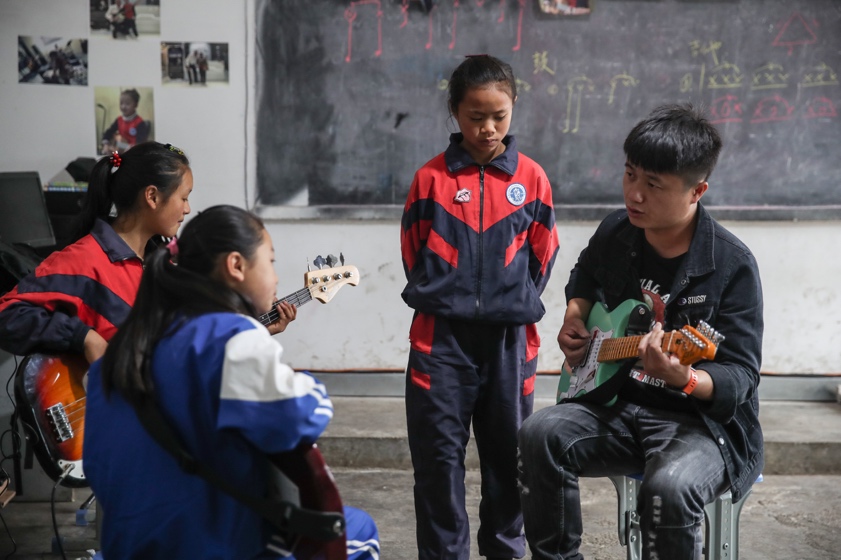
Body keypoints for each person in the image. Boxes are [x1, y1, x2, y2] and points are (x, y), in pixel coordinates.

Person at [517, 104, 764, 559]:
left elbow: (741, 376)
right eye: (630, 175)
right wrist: (576, 314)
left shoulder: (731, 265)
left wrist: (685, 378)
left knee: (668, 487)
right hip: (617, 404)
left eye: (653, 185)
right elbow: (585, 275)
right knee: (538, 433)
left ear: (697, 191)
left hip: (701, 426)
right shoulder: (618, 231)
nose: (635, 194)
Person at [83, 205, 380, 559]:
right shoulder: (229, 336)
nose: (275, 278)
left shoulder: (121, 350)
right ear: (236, 266)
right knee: (359, 530)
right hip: (207, 547)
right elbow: (299, 418)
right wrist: (307, 383)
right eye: (270, 262)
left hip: (127, 548)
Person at [400, 54, 559, 559]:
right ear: (454, 112)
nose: (488, 129)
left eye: (499, 116)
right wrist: (453, 298)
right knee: (438, 467)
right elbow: (413, 252)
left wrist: (505, 303)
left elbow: (543, 257)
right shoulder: (430, 180)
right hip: (439, 344)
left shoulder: (532, 180)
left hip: (511, 344)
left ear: (513, 109)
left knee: (508, 466)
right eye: (475, 117)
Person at [0, 142, 202, 364]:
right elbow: (7, 315)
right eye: (184, 198)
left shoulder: (159, 261)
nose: (187, 209)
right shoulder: (85, 261)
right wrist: (84, 337)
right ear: (152, 197)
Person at [100, 88, 151, 155]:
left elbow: (140, 143)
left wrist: (127, 147)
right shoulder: (119, 120)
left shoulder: (140, 123)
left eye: (127, 104)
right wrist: (106, 144)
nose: (123, 107)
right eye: (121, 103)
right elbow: (109, 132)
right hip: (121, 148)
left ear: (135, 105)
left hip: (133, 151)